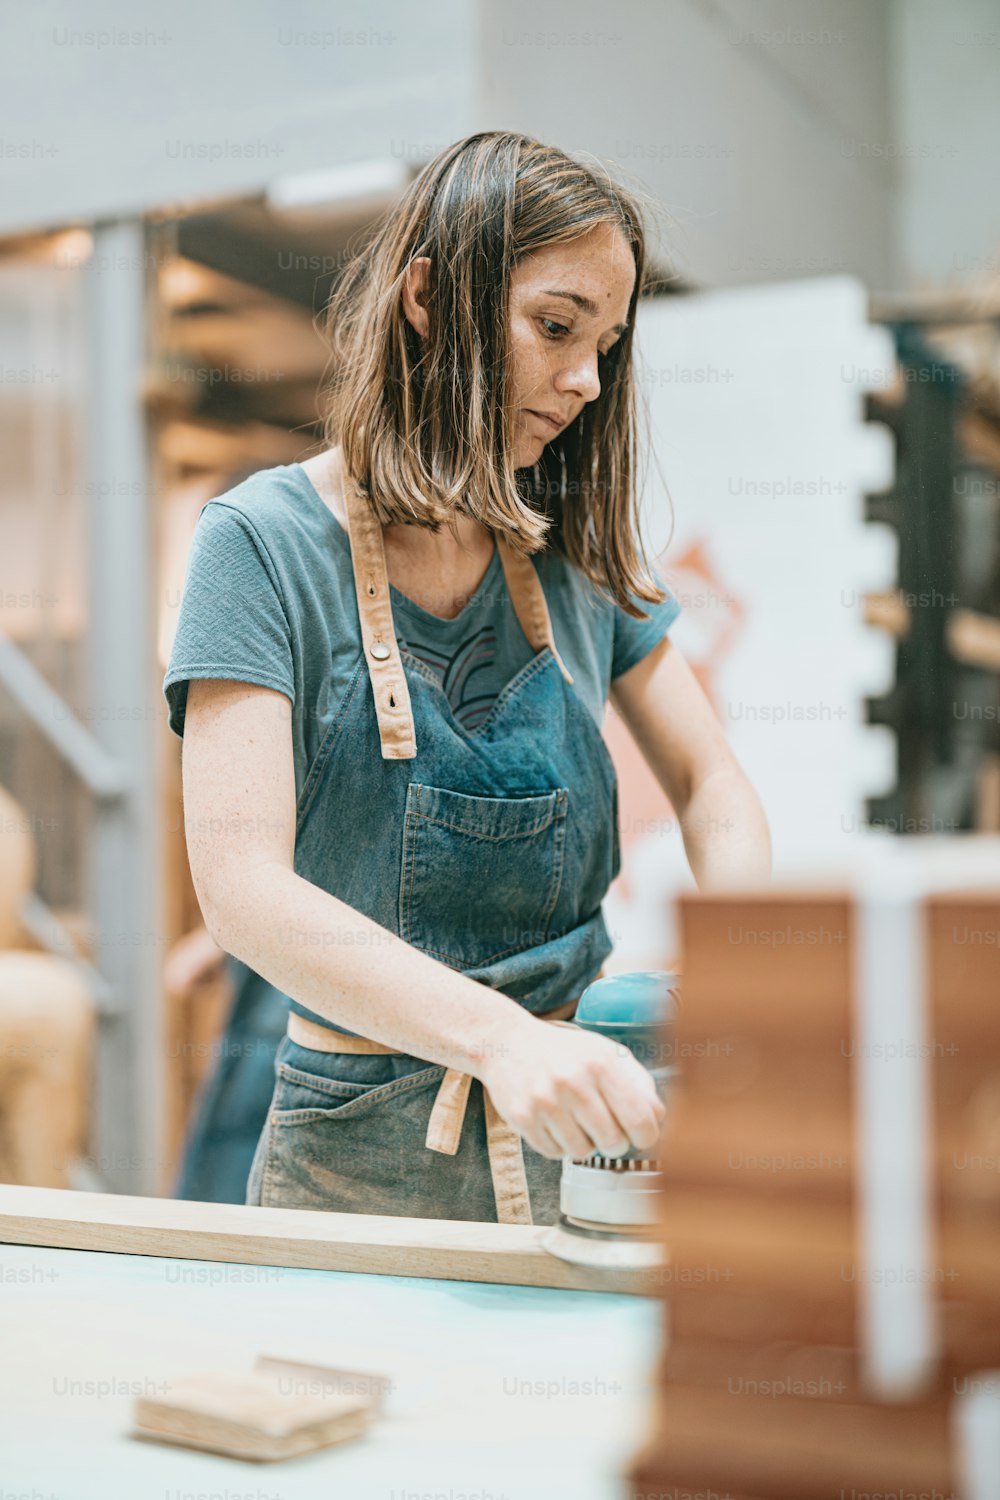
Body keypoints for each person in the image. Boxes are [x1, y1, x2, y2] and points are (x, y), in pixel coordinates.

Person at [163, 130, 771, 1226]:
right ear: (430, 300)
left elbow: (714, 785)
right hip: (354, 1169)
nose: (585, 379)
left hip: (590, 1155)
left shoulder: (571, 544)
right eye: (554, 327)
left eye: (606, 344)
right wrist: (502, 1042)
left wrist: (738, 974)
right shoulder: (259, 545)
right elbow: (241, 890)